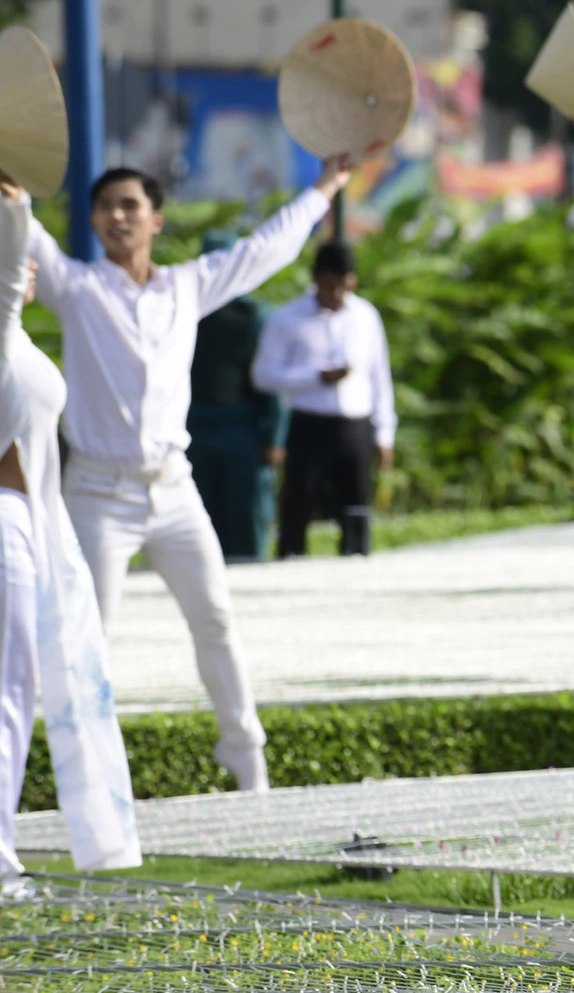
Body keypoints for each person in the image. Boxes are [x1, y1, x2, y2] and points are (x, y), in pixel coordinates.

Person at [27, 159, 350, 792]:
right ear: (91, 220)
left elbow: (266, 250)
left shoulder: (186, 286)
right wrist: (12, 185)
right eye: (106, 208)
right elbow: (25, 232)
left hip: (173, 488)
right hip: (98, 493)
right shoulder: (77, 287)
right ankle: (88, 780)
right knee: (90, 639)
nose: (117, 217)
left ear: (156, 218)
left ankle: (244, 753)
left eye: (129, 206)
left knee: (217, 619)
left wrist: (325, 188)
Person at [0, 175, 141, 875]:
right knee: (8, 694)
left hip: (36, 527)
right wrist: (17, 206)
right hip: (5, 528)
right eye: (18, 262)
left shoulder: (16, 338)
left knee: (32, 692)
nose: (28, 272)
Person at [253, 241, 396, 559]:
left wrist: (385, 432)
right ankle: (291, 563)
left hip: (355, 425)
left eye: (344, 285)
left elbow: (379, 377)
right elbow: (263, 375)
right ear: (316, 278)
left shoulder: (365, 316)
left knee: (356, 506)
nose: (337, 293)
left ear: (353, 281)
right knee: (299, 502)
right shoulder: (287, 318)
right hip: (309, 423)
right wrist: (315, 378)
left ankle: (357, 564)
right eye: (330, 285)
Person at [187, 231, 288, 560]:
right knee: (201, 517)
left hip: (242, 426)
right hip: (194, 426)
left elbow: (272, 381)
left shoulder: (255, 316)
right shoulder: (185, 310)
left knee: (245, 514)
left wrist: (275, 436)